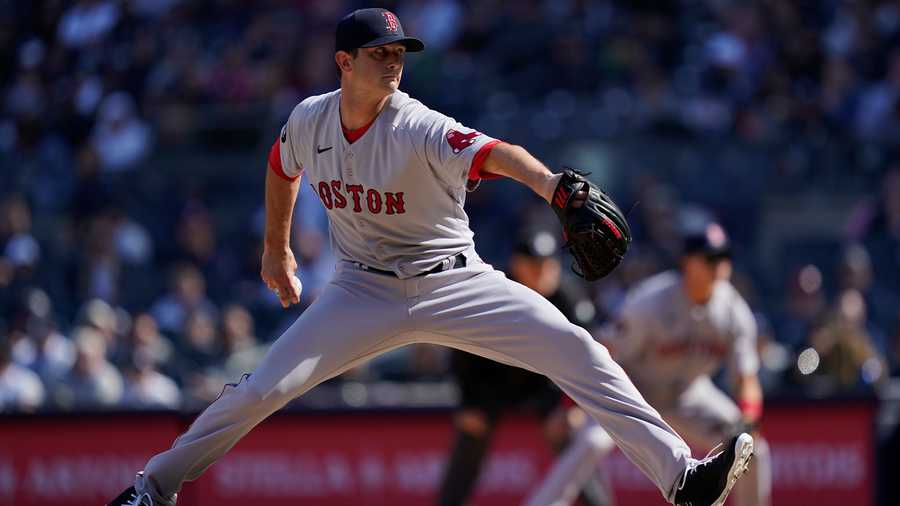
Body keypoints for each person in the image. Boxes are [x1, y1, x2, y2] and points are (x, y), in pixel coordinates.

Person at [108, 9, 753, 506]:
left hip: (455, 281)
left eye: (399, 53)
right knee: (262, 388)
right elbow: (281, 166)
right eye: (379, 53)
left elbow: (494, 152)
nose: (393, 63)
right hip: (361, 291)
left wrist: (554, 187)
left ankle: (681, 480)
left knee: (579, 350)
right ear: (343, 61)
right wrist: (275, 249)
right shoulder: (309, 121)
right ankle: (152, 488)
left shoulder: (416, 124)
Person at [525, 223, 771, 506]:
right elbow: (605, 350)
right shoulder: (651, 301)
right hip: (634, 390)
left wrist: (749, 417)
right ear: (687, 262)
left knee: (753, 449)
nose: (719, 265)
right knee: (591, 443)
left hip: (688, 395)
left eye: (723, 256)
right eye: (709, 257)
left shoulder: (732, 309)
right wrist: (572, 404)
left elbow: (746, 377)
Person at [436, 228, 612, 506]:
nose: (543, 271)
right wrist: (468, 401)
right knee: (472, 433)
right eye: (535, 264)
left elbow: (589, 355)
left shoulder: (567, 296)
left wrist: (570, 407)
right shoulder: (493, 289)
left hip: (545, 383)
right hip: (494, 379)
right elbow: (460, 348)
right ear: (517, 264)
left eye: (548, 264)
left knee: (570, 436)